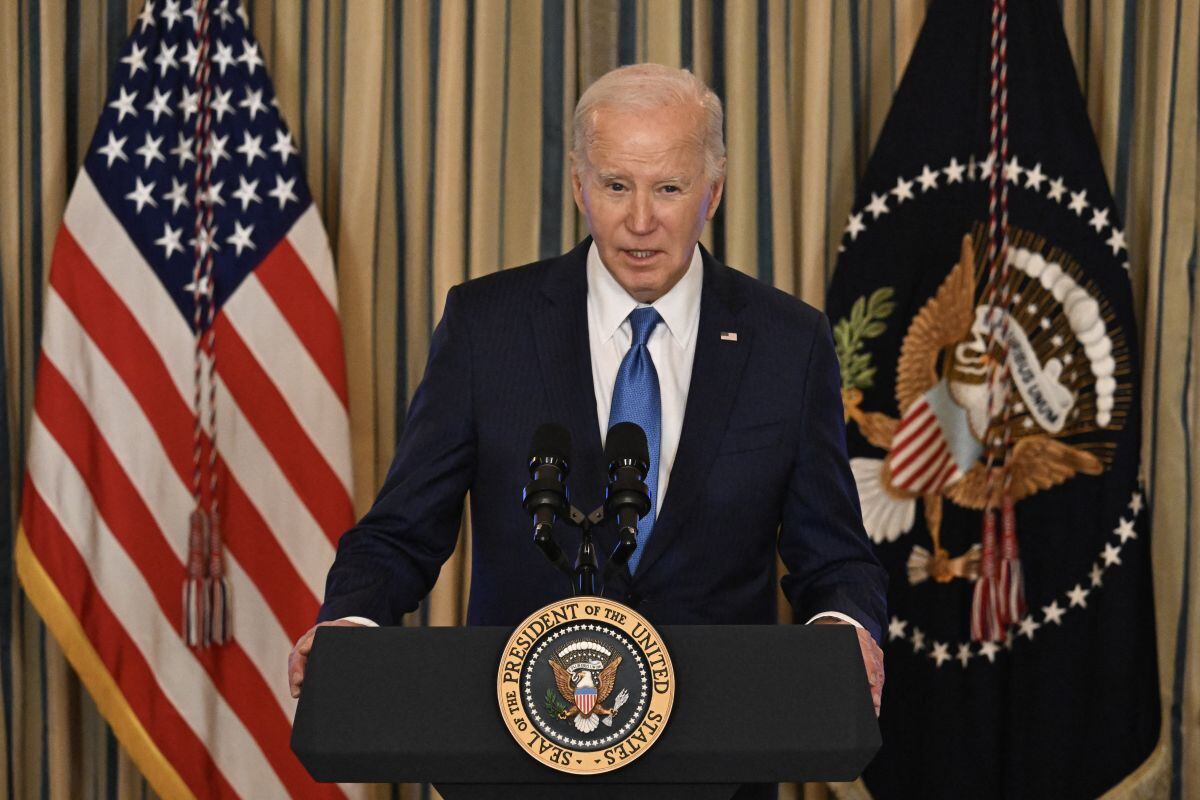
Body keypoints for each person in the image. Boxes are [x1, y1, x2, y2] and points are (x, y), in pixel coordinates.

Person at [289, 64, 887, 718]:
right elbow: (402, 532)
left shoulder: (787, 344)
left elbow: (832, 554)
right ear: (579, 185)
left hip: (718, 750)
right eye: (615, 185)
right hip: (514, 746)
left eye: (668, 188)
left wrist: (843, 628)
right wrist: (349, 627)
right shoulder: (487, 327)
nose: (640, 221)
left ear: (712, 193)